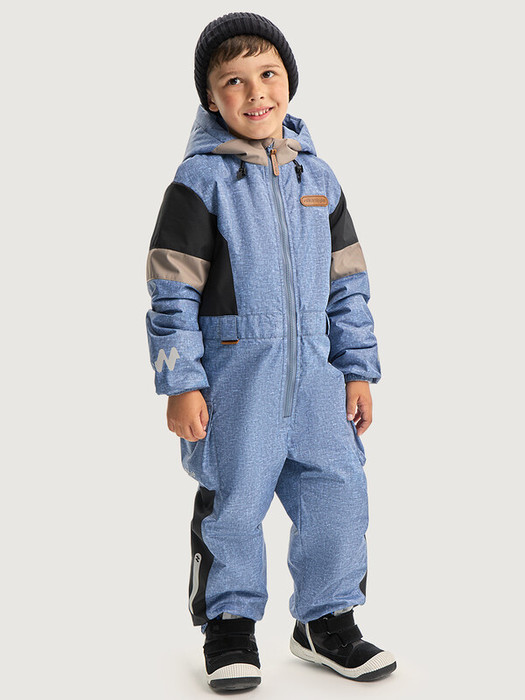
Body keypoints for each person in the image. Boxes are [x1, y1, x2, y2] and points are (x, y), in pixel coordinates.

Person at [145, 11, 397, 691]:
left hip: (316, 374)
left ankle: (326, 621)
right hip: (236, 375)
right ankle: (229, 626)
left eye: (268, 74)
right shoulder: (198, 183)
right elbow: (170, 291)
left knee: (338, 493)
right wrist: (181, 382)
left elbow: (348, 284)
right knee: (234, 501)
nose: (255, 92)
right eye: (234, 80)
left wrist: (357, 370)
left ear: (289, 82)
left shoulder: (321, 178)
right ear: (210, 98)